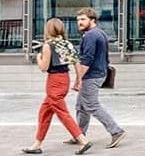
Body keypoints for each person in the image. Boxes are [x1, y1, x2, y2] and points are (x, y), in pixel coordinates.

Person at [24, 18, 92, 155]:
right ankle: (37, 144)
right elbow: (77, 63)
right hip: (65, 79)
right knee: (44, 112)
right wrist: (78, 80)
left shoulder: (48, 45)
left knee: (62, 113)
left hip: (54, 81)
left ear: (48, 30)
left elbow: (43, 67)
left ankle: (82, 140)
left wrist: (38, 57)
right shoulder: (66, 44)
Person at [72, 8, 125, 149]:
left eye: (83, 19)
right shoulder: (100, 33)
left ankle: (116, 131)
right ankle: (79, 134)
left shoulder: (90, 35)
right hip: (98, 73)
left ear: (92, 20)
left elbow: (87, 60)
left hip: (91, 76)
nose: (79, 22)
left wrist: (78, 80)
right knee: (81, 106)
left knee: (92, 106)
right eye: (78, 20)